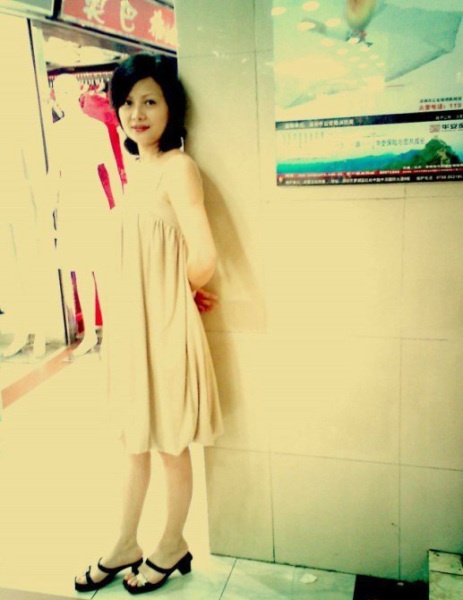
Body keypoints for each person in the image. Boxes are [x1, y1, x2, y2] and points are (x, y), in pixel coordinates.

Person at [74, 53, 223, 595]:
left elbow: (204, 255)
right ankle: (124, 544)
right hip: (131, 327)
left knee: (169, 444)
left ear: (170, 108)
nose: (136, 113)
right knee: (134, 440)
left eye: (150, 101)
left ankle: (172, 542)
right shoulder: (135, 169)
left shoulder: (177, 167)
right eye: (128, 102)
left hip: (161, 327)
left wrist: (175, 295)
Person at [49, 74, 121, 357]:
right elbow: (55, 173)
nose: (63, 97)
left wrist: (119, 208)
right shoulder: (56, 132)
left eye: (68, 91)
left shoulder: (95, 129)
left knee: (102, 269)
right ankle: (90, 332)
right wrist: (50, 209)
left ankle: (112, 330)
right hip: (70, 204)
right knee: (80, 270)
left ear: (78, 92)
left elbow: (111, 169)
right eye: (59, 92)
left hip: (93, 201)